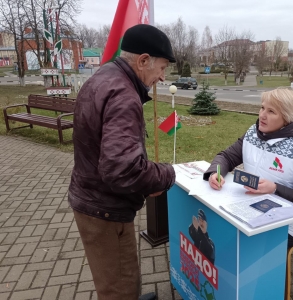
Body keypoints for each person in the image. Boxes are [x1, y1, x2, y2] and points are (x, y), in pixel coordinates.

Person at [68, 24, 177, 300]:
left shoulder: (105, 75)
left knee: (122, 273)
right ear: (143, 60)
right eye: (162, 68)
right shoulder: (124, 96)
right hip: (104, 210)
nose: (162, 77)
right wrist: (167, 174)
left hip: (97, 198)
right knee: (120, 287)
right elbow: (123, 169)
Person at [203, 88, 293, 249]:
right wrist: (215, 172)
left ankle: (268, 271)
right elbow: (227, 157)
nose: (262, 115)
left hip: (292, 224)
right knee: (220, 233)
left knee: (245, 249)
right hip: (253, 208)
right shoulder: (254, 133)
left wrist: (274, 188)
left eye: (271, 111)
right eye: (262, 108)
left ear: (287, 118)